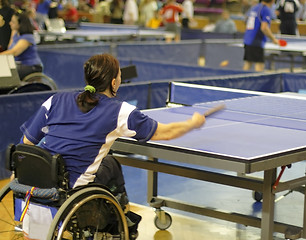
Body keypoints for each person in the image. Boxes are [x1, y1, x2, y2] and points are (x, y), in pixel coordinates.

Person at [18, 53, 206, 239]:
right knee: (112, 165)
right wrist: (192, 123)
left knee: (108, 162)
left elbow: (26, 142)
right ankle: (120, 224)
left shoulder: (55, 100)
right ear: (113, 83)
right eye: (119, 78)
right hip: (69, 188)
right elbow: (165, 133)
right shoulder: (120, 112)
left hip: (35, 181)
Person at [0, 12, 43, 80]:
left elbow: (14, 52)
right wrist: (13, 31)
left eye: (13, 22)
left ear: (20, 24)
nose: (10, 23)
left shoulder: (28, 37)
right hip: (18, 65)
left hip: (31, 66)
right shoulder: (15, 34)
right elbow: (9, 49)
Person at [243, 0, 279, 72]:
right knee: (259, 65)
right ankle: (258, 83)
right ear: (272, 1)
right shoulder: (266, 9)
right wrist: (273, 39)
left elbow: (245, 20)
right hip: (256, 40)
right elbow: (264, 28)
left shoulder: (255, 7)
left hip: (248, 38)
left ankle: (239, 82)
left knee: (248, 63)